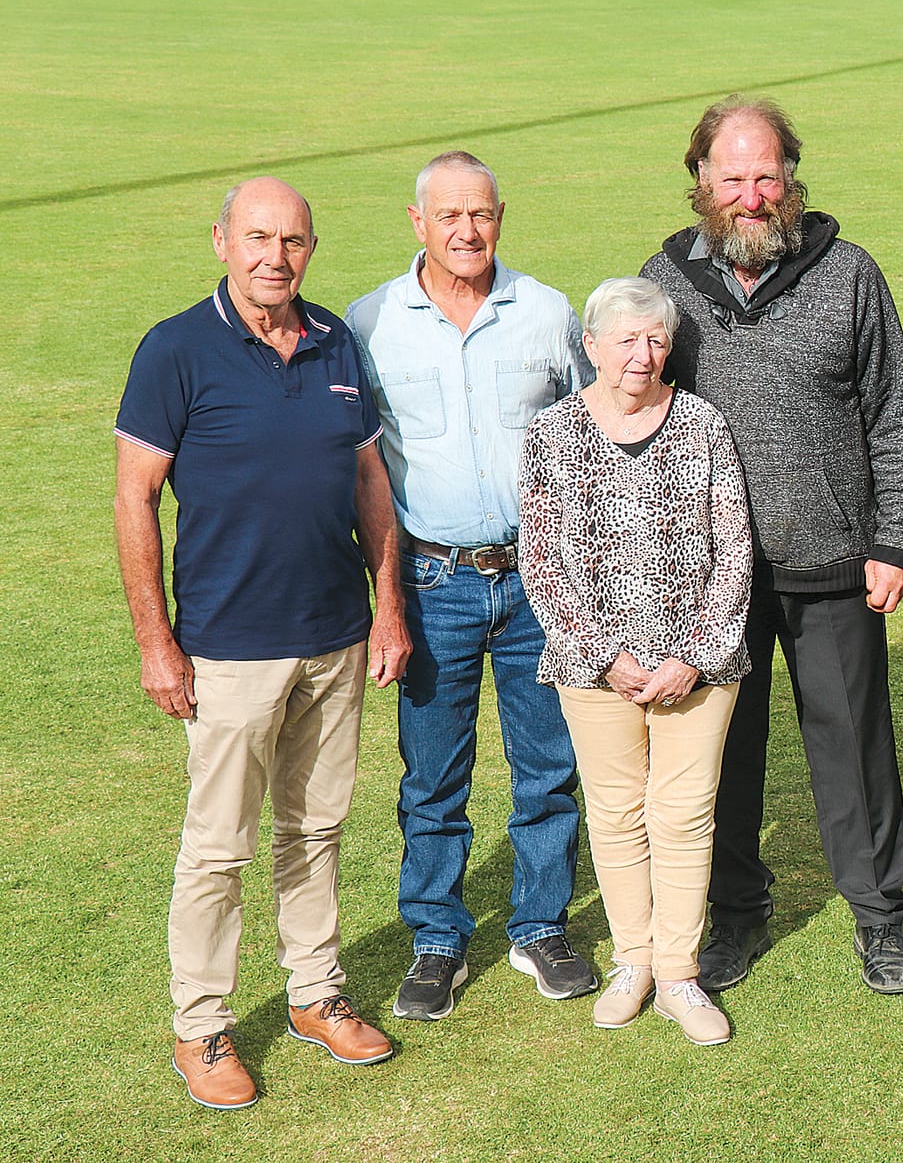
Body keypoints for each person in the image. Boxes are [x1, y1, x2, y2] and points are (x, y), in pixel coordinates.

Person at [114, 177, 411, 1110]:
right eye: (256, 237)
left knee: (316, 830)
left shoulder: (335, 340)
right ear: (221, 241)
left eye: (292, 240)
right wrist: (156, 643)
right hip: (228, 649)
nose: (274, 256)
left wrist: (388, 605)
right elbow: (134, 498)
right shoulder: (175, 349)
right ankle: (200, 1025)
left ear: (311, 249)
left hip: (333, 635)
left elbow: (369, 477)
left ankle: (316, 993)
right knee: (218, 847)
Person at [640, 96, 903, 995]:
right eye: (733, 177)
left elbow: (893, 414)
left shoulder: (849, 273)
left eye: (767, 175)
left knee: (854, 749)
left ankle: (879, 914)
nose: (752, 195)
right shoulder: (665, 280)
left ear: (790, 178)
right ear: (701, 181)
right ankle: (733, 916)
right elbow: (637, 416)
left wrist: (897, 540)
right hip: (713, 578)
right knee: (721, 756)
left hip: (835, 562)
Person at [346, 151, 597, 1022]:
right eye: (447, 215)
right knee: (432, 776)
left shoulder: (548, 312)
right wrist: (385, 602)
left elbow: (592, 428)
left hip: (539, 580)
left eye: (481, 214)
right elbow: (364, 465)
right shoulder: (372, 322)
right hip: (432, 580)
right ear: (418, 222)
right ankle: (438, 938)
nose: (466, 231)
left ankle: (539, 926)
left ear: (501, 216)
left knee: (548, 769)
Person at [518, 278, 754, 1045]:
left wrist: (694, 654)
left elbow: (735, 551)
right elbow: (541, 559)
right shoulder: (551, 432)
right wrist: (601, 654)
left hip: (697, 664)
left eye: (654, 340)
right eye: (624, 339)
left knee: (684, 813)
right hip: (596, 667)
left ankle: (680, 974)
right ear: (590, 345)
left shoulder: (703, 425)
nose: (641, 355)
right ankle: (634, 962)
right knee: (616, 814)